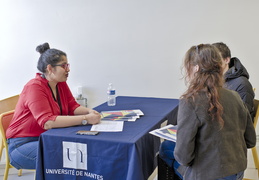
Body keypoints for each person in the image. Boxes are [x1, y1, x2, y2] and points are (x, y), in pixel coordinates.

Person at [160, 44, 256, 180]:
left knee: (165, 150)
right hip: (237, 172)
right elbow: (251, 141)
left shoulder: (190, 101)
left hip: (208, 175)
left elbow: (184, 157)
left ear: (196, 68)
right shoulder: (235, 96)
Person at [6, 42, 101, 170]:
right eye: (64, 66)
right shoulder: (34, 87)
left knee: (81, 152)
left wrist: (90, 111)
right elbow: (47, 122)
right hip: (22, 144)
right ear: (50, 68)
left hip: (48, 137)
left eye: (68, 65)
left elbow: (73, 107)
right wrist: (86, 119)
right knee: (70, 158)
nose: (68, 69)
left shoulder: (60, 83)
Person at [212, 42, 255, 118]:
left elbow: (243, 119)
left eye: (216, 59)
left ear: (226, 60)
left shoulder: (242, 84)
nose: (212, 63)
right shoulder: (213, 81)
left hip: (232, 128)